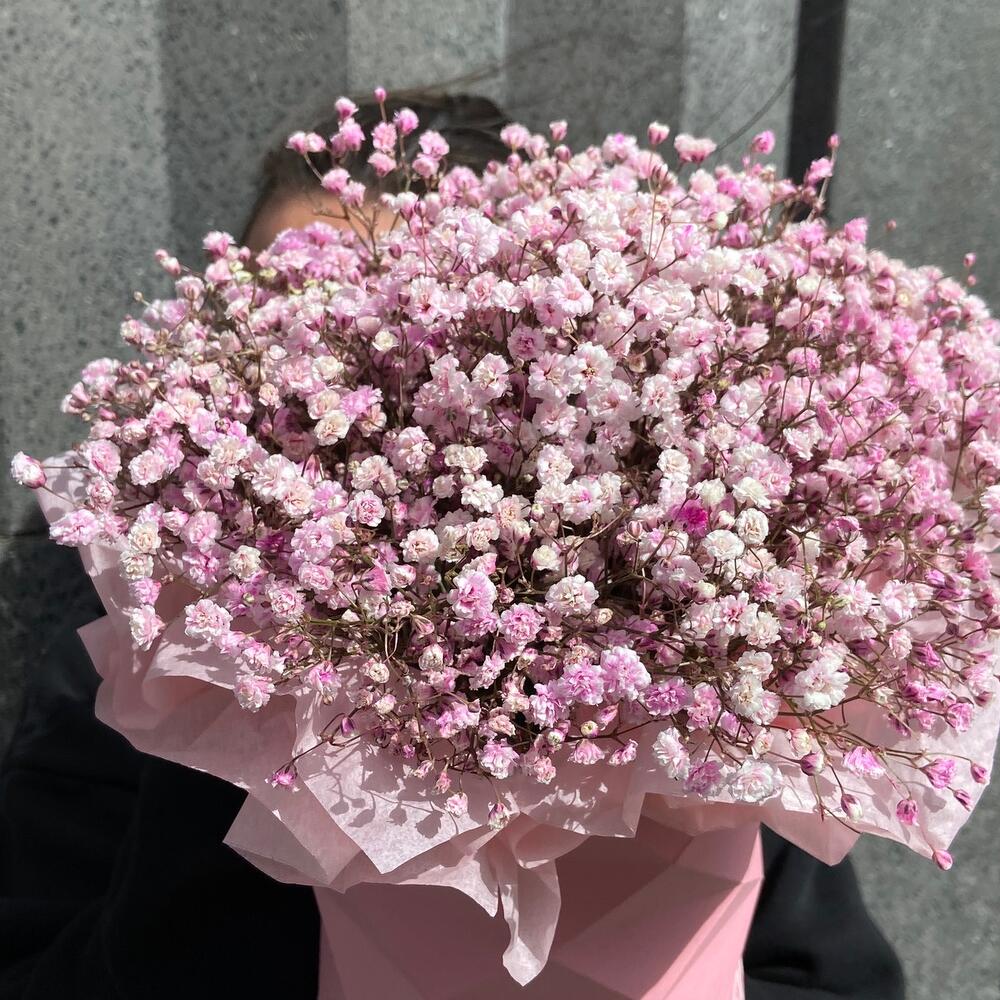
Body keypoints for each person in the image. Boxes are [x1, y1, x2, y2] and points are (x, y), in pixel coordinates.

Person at [0, 92, 906, 1000]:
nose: (320, 363)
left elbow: (830, 980)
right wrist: (221, 734)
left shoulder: (710, 691)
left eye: (387, 333)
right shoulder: (119, 680)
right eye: (277, 319)